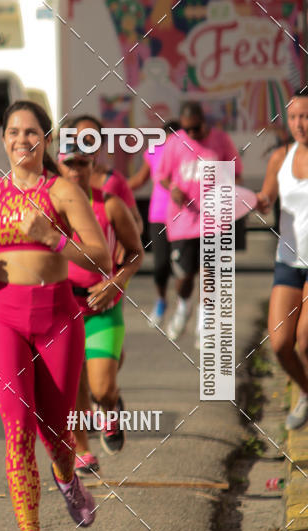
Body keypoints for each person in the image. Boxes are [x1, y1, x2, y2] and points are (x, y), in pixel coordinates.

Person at [0, 100, 112, 531]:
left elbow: (100, 257)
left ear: (46, 140)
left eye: (32, 133)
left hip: (57, 319)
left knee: (53, 427)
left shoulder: (62, 192)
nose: (22, 140)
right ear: (2, 139)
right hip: (4, 320)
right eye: (14, 132)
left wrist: (53, 238)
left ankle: (69, 483)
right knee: (18, 427)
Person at [59, 140, 143, 469]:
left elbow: (136, 252)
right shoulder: (49, 207)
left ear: (93, 165)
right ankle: (82, 450)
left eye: (83, 163)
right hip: (65, 308)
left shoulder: (109, 205)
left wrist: (117, 281)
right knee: (72, 384)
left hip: (103, 308)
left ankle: (110, 407)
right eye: (70, 164)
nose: (76, 170)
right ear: (58, 167)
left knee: (102, 387)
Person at [157, 102, 241, 344]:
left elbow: (236, 172)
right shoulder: (175, 143)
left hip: (213, 219)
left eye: (195, 128)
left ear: (204, 121)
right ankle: (184, 306)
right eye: (187, 129)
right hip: (182, 220)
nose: (191, 134)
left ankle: (204, 323)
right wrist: (173, 188)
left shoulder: (221, 140)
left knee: (209, 273)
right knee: (184, 278)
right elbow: (162, 176)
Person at [257, 88, 308, 430]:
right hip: (288, 261)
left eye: (304, 116)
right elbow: (266, 197)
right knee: (279, 344)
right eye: (292, 117)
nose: (298, 124)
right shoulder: (280, 158)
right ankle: (306, 392)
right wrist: (253, 201)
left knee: (306, 340)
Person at [129, 118, 179, 328]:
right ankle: (161, 301)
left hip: (184, 218)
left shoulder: (189, 154)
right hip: (158, 216)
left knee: (183, 267)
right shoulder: (154, 152)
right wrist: (112, 187)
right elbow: (140, 179)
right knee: (160, 266)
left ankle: (182, 307)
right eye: (166, 138)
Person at [66, 114, 144, 236]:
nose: (87, 142)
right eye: (80, 137)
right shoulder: (60, 177)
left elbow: (136, 221)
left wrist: (126, 245)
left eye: (93, 137)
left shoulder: (114, 180)